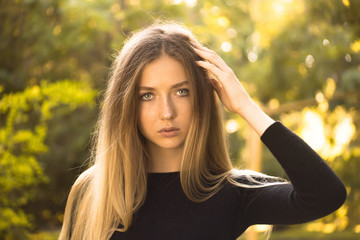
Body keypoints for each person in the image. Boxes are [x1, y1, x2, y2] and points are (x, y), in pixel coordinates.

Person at [59, 22, 346, 240]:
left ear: (202, 96)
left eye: (181, 91)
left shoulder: (234, 193)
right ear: (125, 105)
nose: (167, 112)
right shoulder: (93, 191)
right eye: (147, 95)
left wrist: (245, 106)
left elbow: (326, 195)